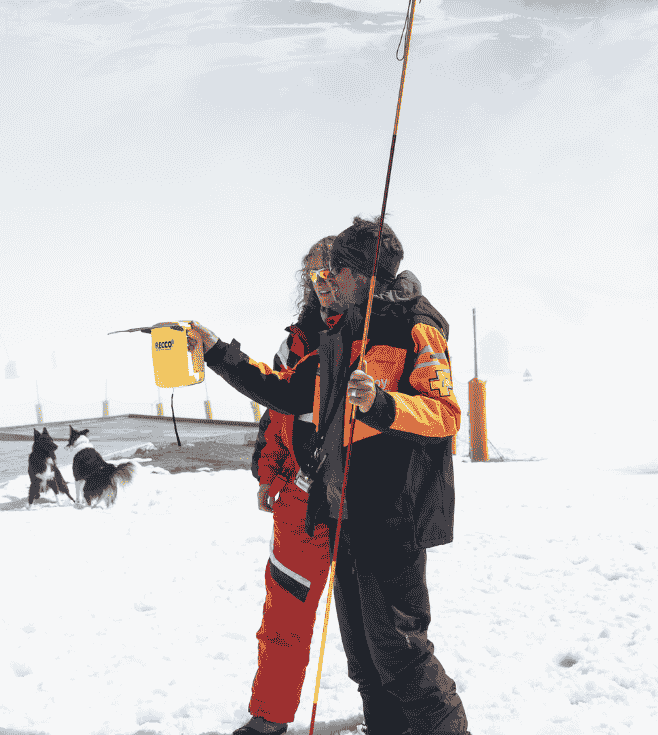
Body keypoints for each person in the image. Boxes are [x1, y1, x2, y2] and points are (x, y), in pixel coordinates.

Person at [189, 217, 469, 735]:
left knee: (401, 654)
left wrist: (385, 405)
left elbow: (447, 414)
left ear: (359, 271)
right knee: (364, 658)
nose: (325, 280)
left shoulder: (416, 325)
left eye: (334, 269)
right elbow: (290, 394)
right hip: (347, 511)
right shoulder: (341, 332)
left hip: (395, 514)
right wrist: (216, 355)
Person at [230, 236, 338, 735]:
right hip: (299, 497)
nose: (322, 285)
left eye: (330, 273)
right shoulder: (294, 343)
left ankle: (391, 712)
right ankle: (269, 718)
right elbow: (274, 412)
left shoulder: (378, 335)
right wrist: (267, 473)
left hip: (363, 500)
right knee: (285, 613)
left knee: (374, 623)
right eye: (313, 275)